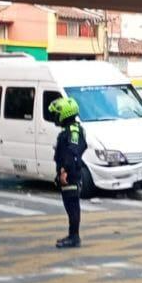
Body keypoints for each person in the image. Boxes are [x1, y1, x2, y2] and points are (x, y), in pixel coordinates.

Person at [48, 96, 87, 249]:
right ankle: (72, 235)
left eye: (57, 115)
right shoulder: (70, 130)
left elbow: (72, 152)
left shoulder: (73, 131)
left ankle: (74, 237)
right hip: (68, 172)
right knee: (70, 205)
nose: (55, 118)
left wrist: (65, 171)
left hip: (71, 174)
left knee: (72, 206)